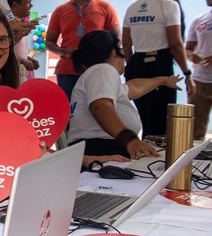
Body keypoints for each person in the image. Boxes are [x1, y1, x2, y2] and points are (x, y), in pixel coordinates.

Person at [68, 30, 182, 159]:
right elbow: (100, 107)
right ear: (113, 52)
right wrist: (130, 140)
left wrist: (163, 80)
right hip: (101, 149)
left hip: (101, 147)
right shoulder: (102, 70)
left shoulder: (98, 76)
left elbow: (134, 87)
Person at [122, 0, 194, 137]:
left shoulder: (132, 7)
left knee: (146, 120)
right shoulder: (169, 5)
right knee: (161, 124)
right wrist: (187, 74)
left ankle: (145, 156)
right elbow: (175, 43)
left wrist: (134, 64)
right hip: (160, 63)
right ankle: (159, 162)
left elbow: (126, 44)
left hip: (136, 64)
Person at [46, 0, 120, 100]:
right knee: (69, 111)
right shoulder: (60, 10)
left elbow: (117, 39)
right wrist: (64, 52)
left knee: (97, 110)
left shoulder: (105, 7)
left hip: (97, 70)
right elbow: (49, 42)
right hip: (68, 71)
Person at [187, 0, 212, 139]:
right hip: (200, 82)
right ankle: (196, 163)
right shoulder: (199, 20)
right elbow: (187, 49)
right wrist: (192, 56)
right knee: (194, 134)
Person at [6, 0, 39, 83]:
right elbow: (6, 49)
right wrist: (22, 61)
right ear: (15, 5)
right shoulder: (6, 24)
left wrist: (27, 58)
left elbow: (15, 50)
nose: (31, 6)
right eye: (28, 3)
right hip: (13, 75)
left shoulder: (21, 24)